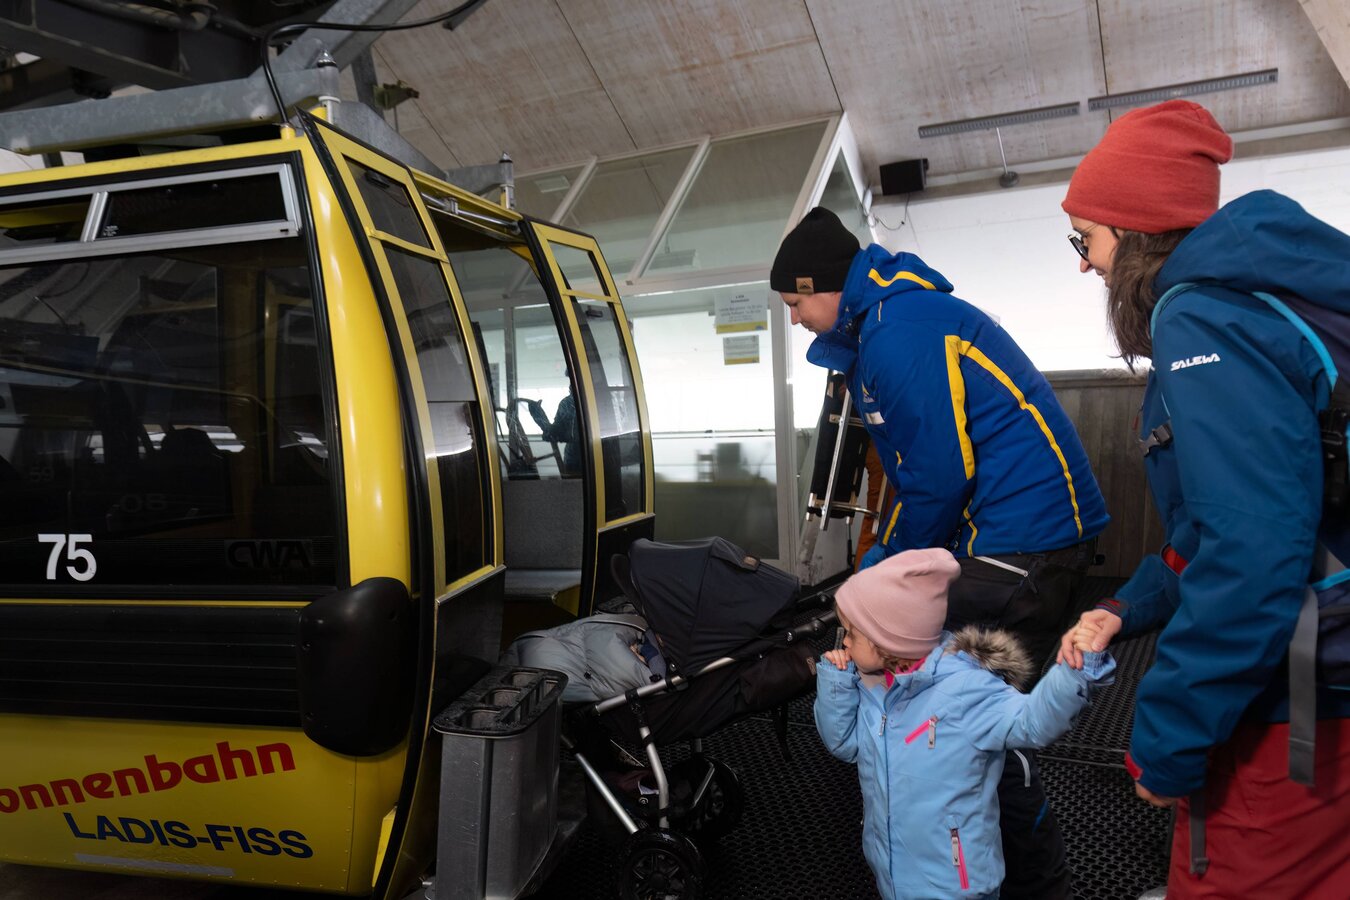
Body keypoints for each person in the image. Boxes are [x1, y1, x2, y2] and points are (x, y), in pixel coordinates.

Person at [1055, 98, 1350, 898]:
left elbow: (1253, 551)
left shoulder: (1201, 317)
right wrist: (1127, 606)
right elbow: (1230, 520)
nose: (1084, 263)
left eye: (1085, 239)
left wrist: (1169, 740)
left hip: (1302, 692)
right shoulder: (1263, 296)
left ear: (1132, 229)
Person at [773, 206, 1110, 899]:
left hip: (1025, 541)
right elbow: (921, 473)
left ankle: (1033, 884)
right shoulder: (885, 322)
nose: (795, 318)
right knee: (947, 696)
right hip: (1024, 533)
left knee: (970, 720)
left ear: (823, 286)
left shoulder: (898, 332)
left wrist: (882, 570)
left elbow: (938, 478)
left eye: (795, 302)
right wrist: (886, 560)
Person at [816, 548, 1115, 900]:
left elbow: (1034, 721)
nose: (844, 641)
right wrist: (836, 682)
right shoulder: (873, 685)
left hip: (955, 884)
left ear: (887, 640)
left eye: (852, 633)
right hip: (892, 872)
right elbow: (844, 744)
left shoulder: (966, 691)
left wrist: (1077, 671)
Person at [524, 393, 582, 477]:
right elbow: (557, 432)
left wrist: (539, 416)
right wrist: (539, 416)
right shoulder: (569, 402)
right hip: (579, 457)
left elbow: (555, 433)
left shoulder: (569, 402)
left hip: (578, 457)